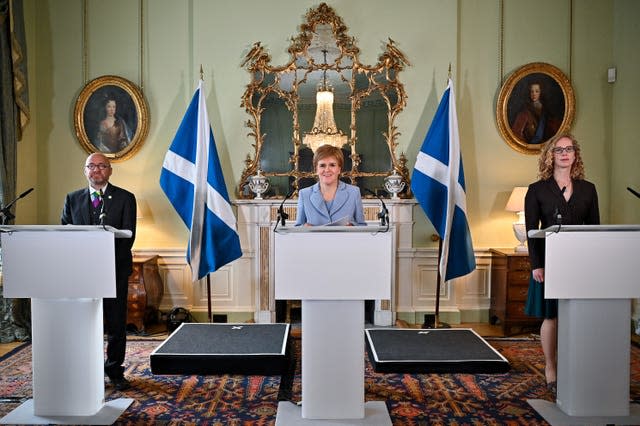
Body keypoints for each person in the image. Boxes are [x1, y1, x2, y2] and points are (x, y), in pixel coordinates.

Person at [524, 133, 599, 390]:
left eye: (569, 149)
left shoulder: (588, 189)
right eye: (558, 150)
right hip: (548, 259)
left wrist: (592, 266)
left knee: (576, 315)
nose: (564, 154)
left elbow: (595, 229)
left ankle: (574, 366)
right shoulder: (537, 190)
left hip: (578, 261)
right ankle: (551, 366)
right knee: (551, 315)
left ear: (575, 155)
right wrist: (536, 265)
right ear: (550, 156)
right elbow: (531, 230)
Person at [61, 152, 137, 391]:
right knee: (86, 324)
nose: (96, 170)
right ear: (85, 171)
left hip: (115, 270)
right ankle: (89, 371)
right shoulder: (72, 199)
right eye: (91, 166)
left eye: (102, 166)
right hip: (82, 273)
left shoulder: (126, 198)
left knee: (116, 325)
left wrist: (106, 261)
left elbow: (128, 237)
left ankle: (115, 371)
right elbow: (65, 234)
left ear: (110, 170)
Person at [295, 144, 366, 226]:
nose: (327, 170)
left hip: (345, 239)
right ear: (316, 169)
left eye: (332, 165)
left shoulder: (354, 192)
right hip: (314, 239)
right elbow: (298, 227)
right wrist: (304, 227)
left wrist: (352, 226)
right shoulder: (304, 194)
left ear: (339, 169)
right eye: (322, 165)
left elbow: (361, 225)